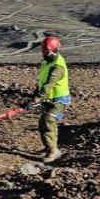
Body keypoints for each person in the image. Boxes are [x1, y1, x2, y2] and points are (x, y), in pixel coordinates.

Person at [26, 35, 71, 163]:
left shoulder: (57, 67)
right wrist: (34, 96)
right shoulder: (47, 62)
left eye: (46, 51)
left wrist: (37, 99)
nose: (44, 54)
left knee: (48, 120)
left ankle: (53, 151)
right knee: (44, 123)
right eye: (43, 51)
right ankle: (49, 147)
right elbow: (42, 82)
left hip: (59, 100)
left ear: (55, 50)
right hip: (50, 99)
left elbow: (49, 84)